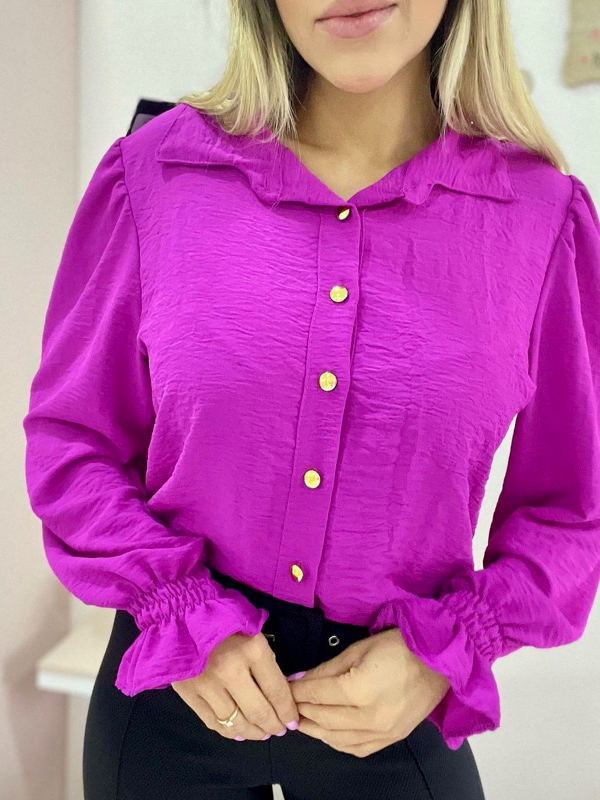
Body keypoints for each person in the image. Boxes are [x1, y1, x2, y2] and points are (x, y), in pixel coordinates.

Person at [22, 0, 600, 798]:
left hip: (393, 713)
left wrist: (448, 651)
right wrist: (180, 613)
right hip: (170, 699)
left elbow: (572, 510)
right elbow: (74, 445)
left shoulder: (539, 217)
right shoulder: (154, 174)